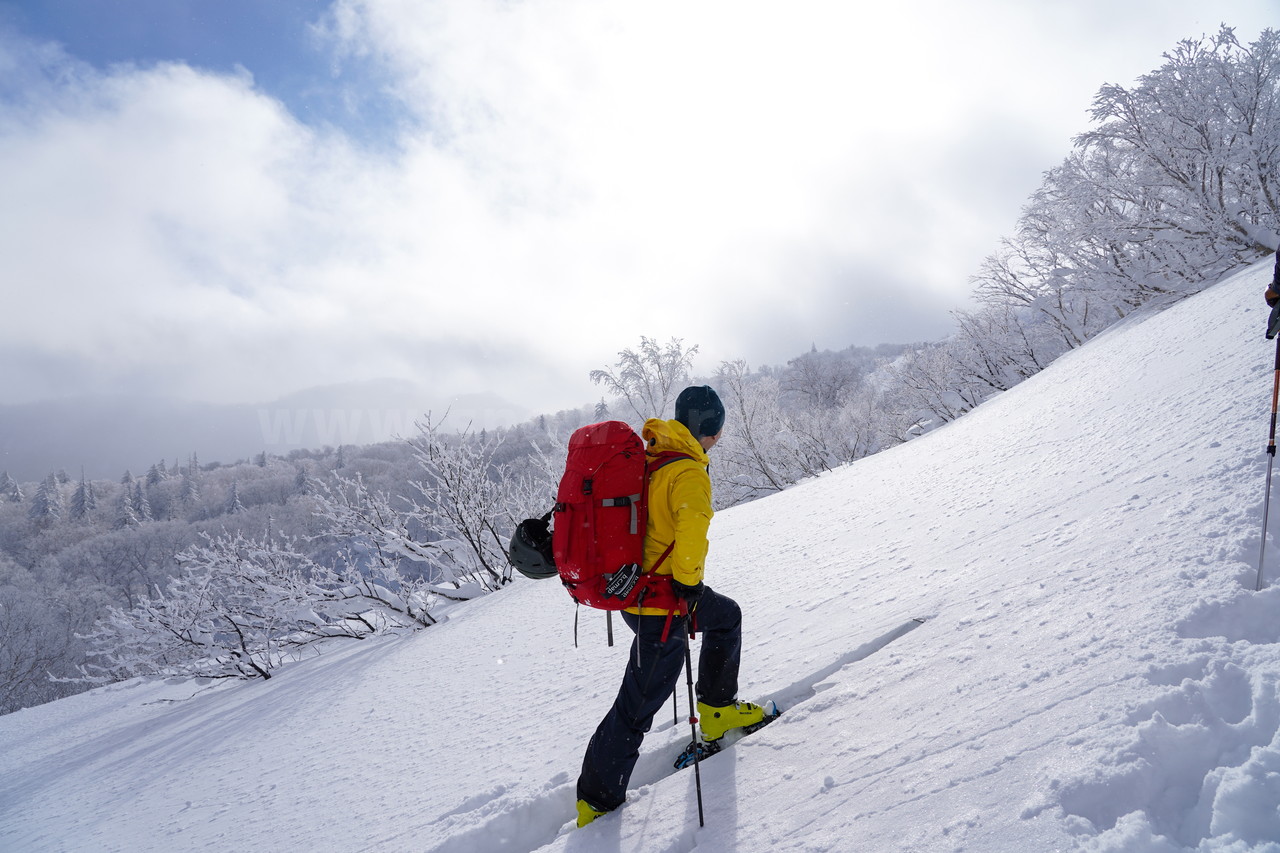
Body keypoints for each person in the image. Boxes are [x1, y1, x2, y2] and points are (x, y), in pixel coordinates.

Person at [575, 385, 765, 828]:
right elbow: (692, 531)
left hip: (638, 593)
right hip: (662, 605)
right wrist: (689, 584)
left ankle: (717, 711)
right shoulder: (689, 474)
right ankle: (596, 800)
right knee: (637, 706)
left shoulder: (652, 458)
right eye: (716, 428)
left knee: (725, 616)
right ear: (706, 428)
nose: (719, 437)